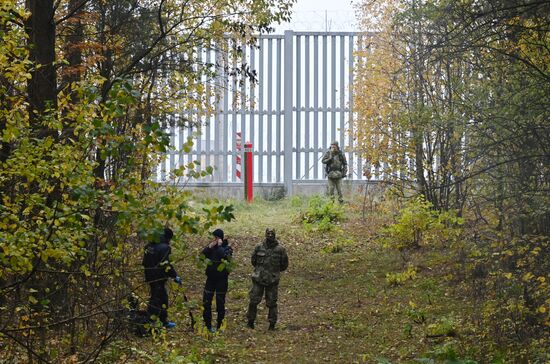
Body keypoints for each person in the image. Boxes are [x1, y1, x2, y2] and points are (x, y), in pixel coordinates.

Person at [246, 228, 288, 331]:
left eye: (272, 233)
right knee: (253, 301)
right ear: (265, 234)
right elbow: (253, 261)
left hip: (272, 281)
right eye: (268, 233)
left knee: (272, 303)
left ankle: (272, 325)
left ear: (275, 235)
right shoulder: (258, 247)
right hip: (258, 279)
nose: (270, 235)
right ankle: (250, 322)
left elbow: (284, 265)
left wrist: (274, 273)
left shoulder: (280, 249)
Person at [142, 227, 181, 329]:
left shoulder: (149, 245)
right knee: (156, 299)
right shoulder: (165, 248)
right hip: (158, 278)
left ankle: (164, 321)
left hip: (149, 276)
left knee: (163, 298)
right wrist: (174, 276)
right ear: (168, 237)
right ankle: (148, 324)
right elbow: (166, 265)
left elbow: (144, 262)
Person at [200, 228, 233, 332]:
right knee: (206, 302)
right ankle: (207, 325)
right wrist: (209, 247)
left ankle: (220, 326)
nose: (214, 240)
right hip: (210, 279)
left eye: (216, 238)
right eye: (213, 238)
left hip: (222, 280)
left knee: (220, 303)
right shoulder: (211, 248)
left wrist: (219, 246)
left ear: (220, 239)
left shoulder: (227, 248)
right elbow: (202, 256)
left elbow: (226, 257)